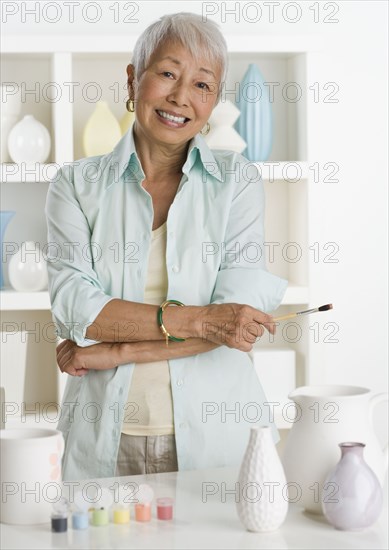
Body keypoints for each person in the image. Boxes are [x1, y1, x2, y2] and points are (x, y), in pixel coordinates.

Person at [45, 12, 287, 481]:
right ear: (134, 80)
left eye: (203, 85)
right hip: (103, 440)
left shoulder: (237, 181)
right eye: (168, 73)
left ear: (214, 101)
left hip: (221, 435)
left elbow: (235, 324)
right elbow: (77, 310)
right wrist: (200, 319)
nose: (181, 98)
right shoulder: (76, 184)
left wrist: (110, 352)